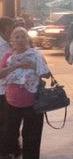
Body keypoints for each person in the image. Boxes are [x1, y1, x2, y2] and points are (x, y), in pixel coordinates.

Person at [0, 26, 50, 159]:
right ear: (11, 41)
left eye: (23, 36)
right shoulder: (8, 56)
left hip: (33, 104)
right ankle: (10, 154)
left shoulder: (36, 55)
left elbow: (46, 74)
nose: (20, 39)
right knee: (9, 135)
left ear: (28, 39)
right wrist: (16, 65)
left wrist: (34, 66)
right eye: (17, 37)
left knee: (32, 138)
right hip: (11, 103)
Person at [0, 17, 16, 159]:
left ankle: (12, 147)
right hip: (1, 90)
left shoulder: (11, 44)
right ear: (5, 29)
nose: (13, 30)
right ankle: (4, 152)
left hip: (11, 90)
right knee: (4, 122)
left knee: (9, 122)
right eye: (12, 27)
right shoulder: (2, 46)